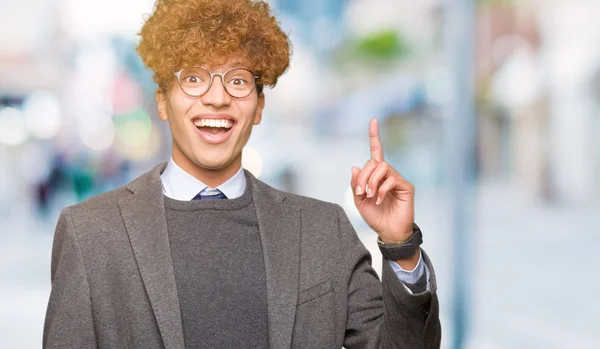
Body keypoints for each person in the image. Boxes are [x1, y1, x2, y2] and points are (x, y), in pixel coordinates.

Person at [43, 0, 441, 348]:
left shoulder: (324, 229)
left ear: (259, 106)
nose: (217, 98)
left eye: (237, 80)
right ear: (162, 101)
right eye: (194, 78)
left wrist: (401, 247)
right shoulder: (90, 233)